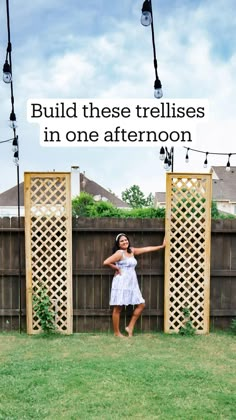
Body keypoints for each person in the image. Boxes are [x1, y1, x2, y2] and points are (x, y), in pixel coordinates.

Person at [103, 233, 166, 337]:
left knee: (141, 304)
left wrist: (161, 246)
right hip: (121, 282)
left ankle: (130, 327)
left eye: (126, 240)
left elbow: (146, 249)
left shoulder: (131, 250)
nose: (124, 242)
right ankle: (117, 332)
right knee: (118, 307)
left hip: (132, 283)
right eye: (122, 241)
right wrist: (117, 268)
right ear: (118, 244)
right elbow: (106, 262)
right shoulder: (119, 253)